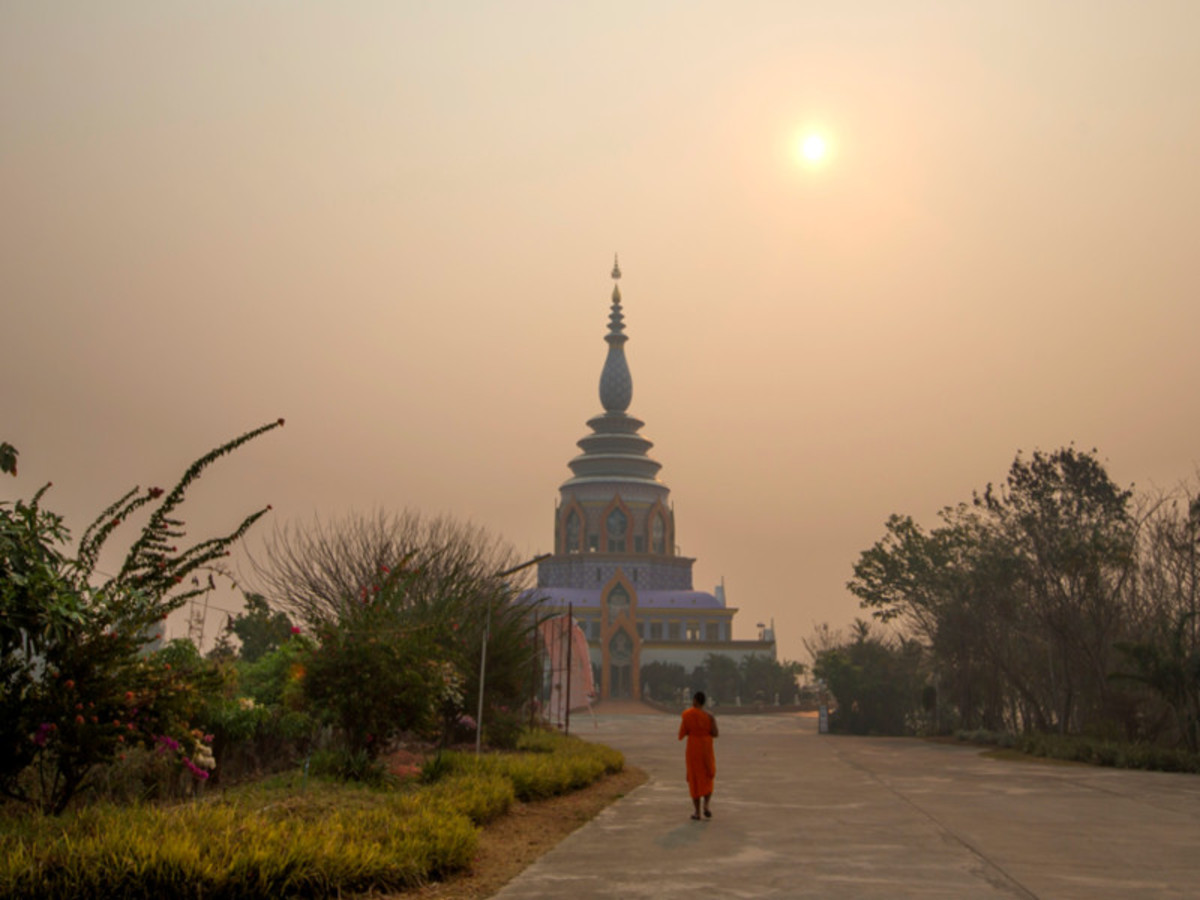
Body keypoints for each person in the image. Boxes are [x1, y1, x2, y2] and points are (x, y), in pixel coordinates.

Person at [678, 690, 718, 820]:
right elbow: (715, 733)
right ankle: (706, 805)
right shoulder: (710, 716)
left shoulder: (688, 714)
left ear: (695, 700)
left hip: (694, 748)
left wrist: (694, 731)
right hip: (706, 748)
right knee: (707, 775)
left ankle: (697, 812)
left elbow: (682, 733)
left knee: (694, 778)